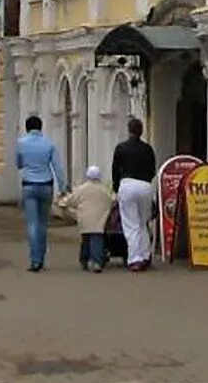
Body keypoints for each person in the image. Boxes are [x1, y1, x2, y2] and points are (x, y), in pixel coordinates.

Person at [14, 114, 64, 272]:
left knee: (32, 223)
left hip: (29, 185)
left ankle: (35, 260)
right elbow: (57, 167)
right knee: (43, 224)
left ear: (27, 128)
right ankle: (41, 257)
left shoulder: (21, 143)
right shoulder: (49, 144)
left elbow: (18, 163)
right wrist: (63, 187)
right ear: (41, 127)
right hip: (46, 185)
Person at [111, 116, 159, 272]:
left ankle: (135, 259)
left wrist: (116, 187)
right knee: (143, 222)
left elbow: (115, 169)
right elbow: (153, 170)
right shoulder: (148, 149)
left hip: (127, 184)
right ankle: (145, 255)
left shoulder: (121, 148)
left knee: (131, 224)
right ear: (141, 131)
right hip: (145, 186)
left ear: (129, 130)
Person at [57, 165, 115, 273]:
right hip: (100, 219)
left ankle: (84, 260)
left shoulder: (82, 189)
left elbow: (71, 201)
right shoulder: (104, 189)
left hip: (84, 219)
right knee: (97, 239)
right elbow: (112, 201)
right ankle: (97, 261)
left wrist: (61, 203)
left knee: (86, 240)